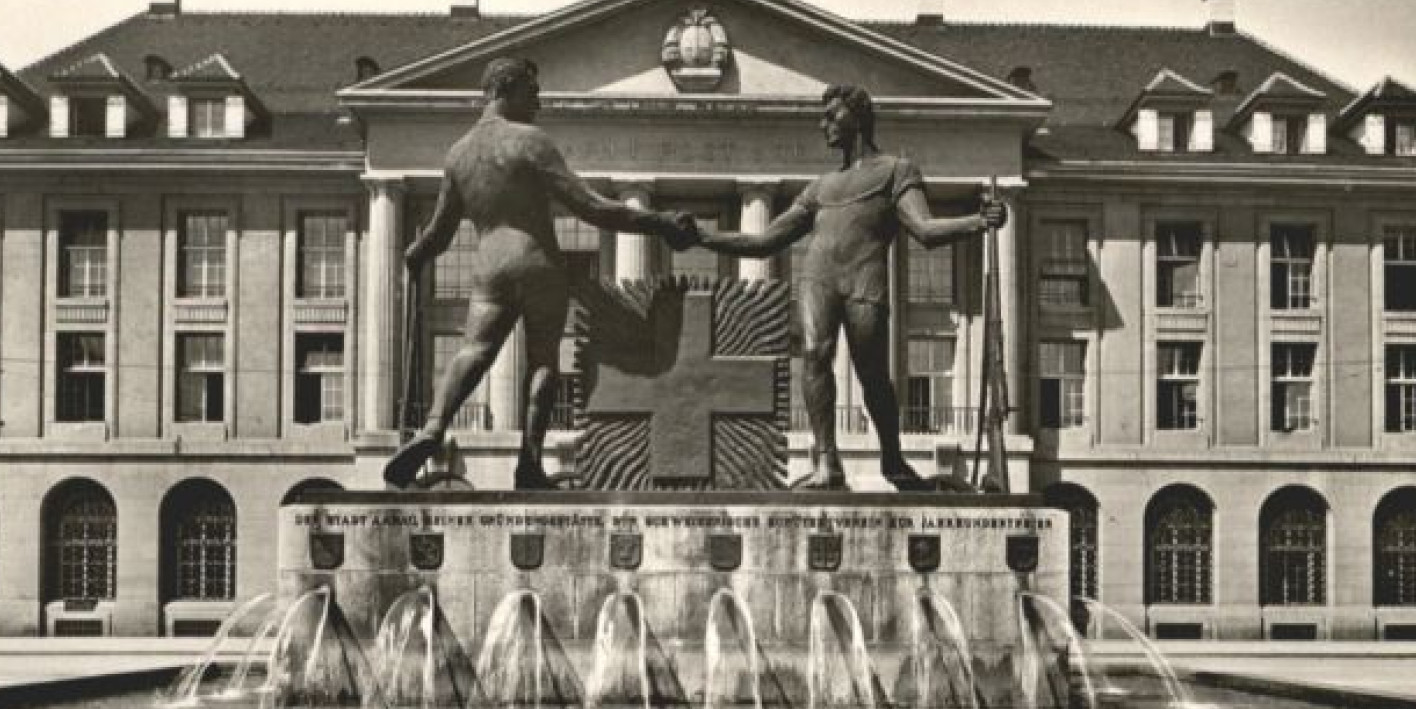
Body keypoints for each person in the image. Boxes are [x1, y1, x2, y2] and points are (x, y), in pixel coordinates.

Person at [383, 57, 699, 490]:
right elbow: (593, 208)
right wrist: (658, 223)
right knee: (544, 361)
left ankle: (432, 429)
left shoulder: (458, 154)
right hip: (536, 261)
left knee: (473, 350)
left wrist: (415, 253)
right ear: (506, 88)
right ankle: (529, 461)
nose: (539, 101)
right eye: (532, 91)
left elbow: (438, 235)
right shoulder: (531, 142)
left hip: (489, 265)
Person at [698, 84, 1007, 491]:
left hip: (865, 278)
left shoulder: (897, 170)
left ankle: (893, 462)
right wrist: (702, 237)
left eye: (832, 114)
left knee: (872, 374)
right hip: (817, 277)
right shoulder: (819, 188)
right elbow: (762, 242)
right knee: (813, 354)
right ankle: (829, 464)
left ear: (858, 117)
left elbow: (925, 231)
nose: (822, 123)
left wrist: (977, 222)